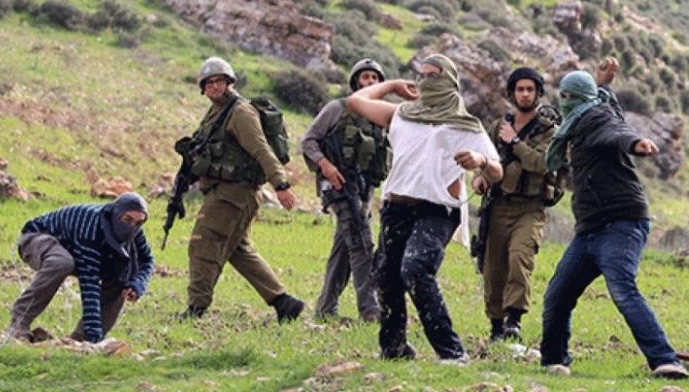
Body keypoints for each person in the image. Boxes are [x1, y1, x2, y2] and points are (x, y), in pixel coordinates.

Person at [539, 58, 689, 378]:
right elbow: (611, 111)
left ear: (577, 99)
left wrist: (635, 143)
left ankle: (665, 360)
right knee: (558, 295)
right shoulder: (584, 118)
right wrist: (604, 84)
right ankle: (554, 362)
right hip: (589, 229)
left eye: (568, 96)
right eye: (562, 95)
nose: (564, 102)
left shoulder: (592, 118)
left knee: (622, 288)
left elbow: (615, 130)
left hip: (621, 222)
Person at [346, 54, 502, 362]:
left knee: (416, 268)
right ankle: (394, 349)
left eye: (434, 75)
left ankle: (452, 352)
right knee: (386, 276)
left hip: (437, 210)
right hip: (396, 206)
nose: (426, 81)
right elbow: (355, 101)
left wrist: (481, 161)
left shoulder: (466, 125)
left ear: (450, 80)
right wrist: (391, 85)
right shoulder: (402, 114)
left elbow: (497, 171)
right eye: (422, 75)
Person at [179, 57, 304, 323]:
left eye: (220, 81)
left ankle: (196, 308)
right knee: (239, 250)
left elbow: (261, 150)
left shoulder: (240, 113)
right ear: (203, 88)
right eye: (209, 83)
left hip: (233, 194)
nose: (215, 87)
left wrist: (280, 184)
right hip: (224, 192)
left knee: (203, 244)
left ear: (229, 83)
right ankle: (284, 302)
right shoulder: (216, 111)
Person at [472, 67, 559, 342]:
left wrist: (516, 142)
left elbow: (542, 163)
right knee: (493, 268)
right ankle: (496, 325)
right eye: (520, 89)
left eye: (530, 89)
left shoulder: (548, 130)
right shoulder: (499, 126)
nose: (525, 94)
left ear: (538, 93)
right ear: (512, 93)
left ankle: (514, 320)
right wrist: (479, 179)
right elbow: (484, 157)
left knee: (520, 259)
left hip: (529, 208)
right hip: (498, 205)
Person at [301, 59, 387, 322]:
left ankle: (325, 308)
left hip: (364, 190)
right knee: (362, 242)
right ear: (355, 81)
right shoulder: (337, 108)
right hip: (338, 186)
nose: (370, 82)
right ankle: (370, 310)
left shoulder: (379, 117)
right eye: (365, 77)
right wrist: (325, 165)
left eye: (374, 78)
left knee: (344, 248)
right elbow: (308, 140)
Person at [7, 192, 154, 343]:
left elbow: (147, 260)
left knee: (122, 277)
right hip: (37, 239)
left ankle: (80, 341)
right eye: (127, 219)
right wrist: (93, 330)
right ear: (116, 214)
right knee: (62, 262)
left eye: (138, 223)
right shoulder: (91, 226)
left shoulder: (135, 232)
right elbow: (89, 281)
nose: (131, 227)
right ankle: (19, 324)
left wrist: (137, 284)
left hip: (74, 250)